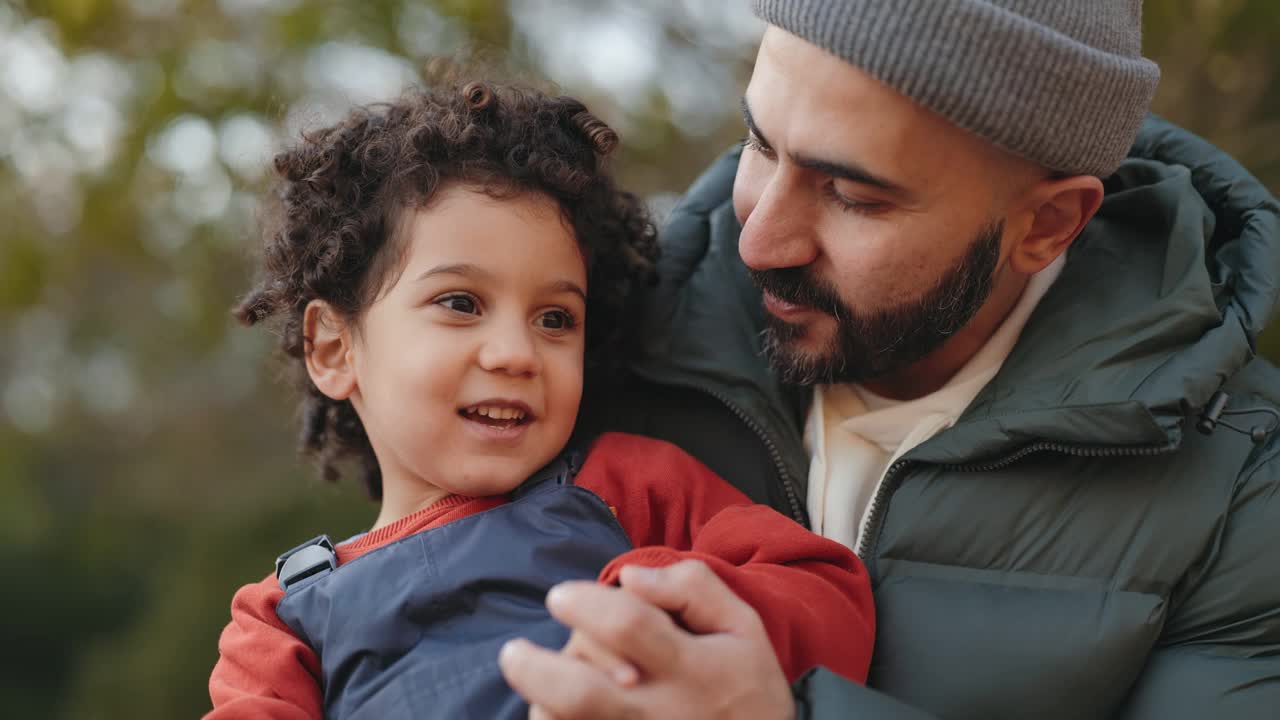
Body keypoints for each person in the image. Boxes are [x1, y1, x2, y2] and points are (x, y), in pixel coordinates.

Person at [497, 1, 1280, 718]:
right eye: (760, 147)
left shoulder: (1245, 491)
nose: (758, 242)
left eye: (852, 196)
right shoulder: (596, 336)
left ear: (1047, 224)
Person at [201, 79, 874, 719]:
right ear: (333, 350)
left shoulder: (627, 483)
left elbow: (831, 594)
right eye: (461, 304)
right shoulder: (281, 616)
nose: (517, 353)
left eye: (555, 319)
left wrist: (661, 605)